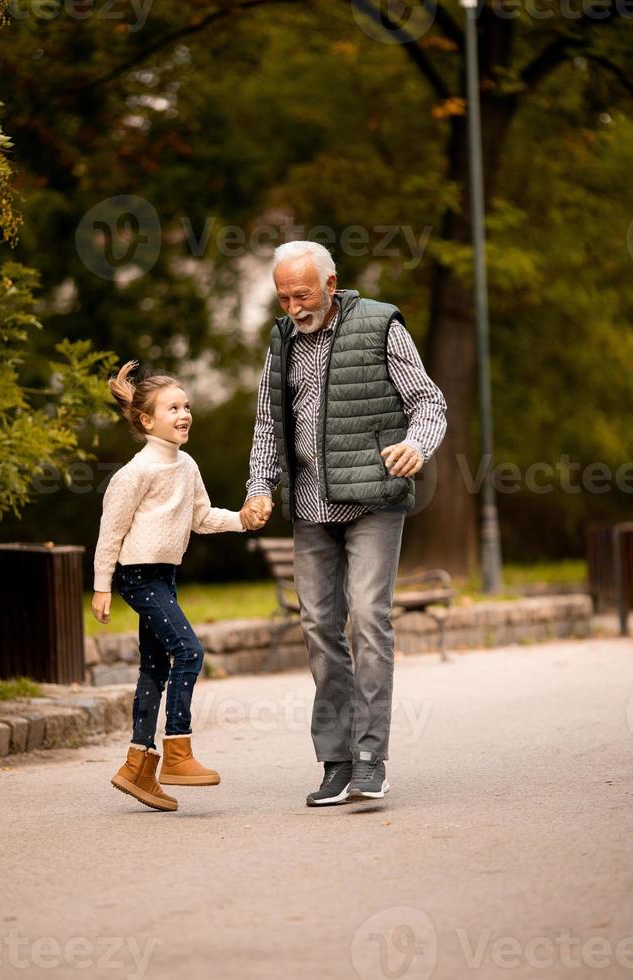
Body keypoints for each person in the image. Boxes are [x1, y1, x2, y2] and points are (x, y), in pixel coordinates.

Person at [241, 241, 447, 807]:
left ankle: (370, 757)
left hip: (373, 499)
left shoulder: (381, 325)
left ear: (331, 284)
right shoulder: (282, 339)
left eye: (301, 294)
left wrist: (416, 445)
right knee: (318, 629)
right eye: (283, 296)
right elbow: (267, 421)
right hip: (310, 504)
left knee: (369, 620)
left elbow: (428, 402)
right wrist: (260, 486)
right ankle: (335, 759)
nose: (292, 306)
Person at [92, 361, 250, 812]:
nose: (184, 414)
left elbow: (201, 516)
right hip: (138, 576)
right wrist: (102, 586)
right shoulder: (135, 473)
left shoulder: (186, 466)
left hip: (165, 575)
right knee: (189, 651)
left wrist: (240, 519)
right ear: (147, 421)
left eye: (186, 405)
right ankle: (177, 752)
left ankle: (137, 766)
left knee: (154, 668)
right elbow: (110, 534)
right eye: (172, 407)